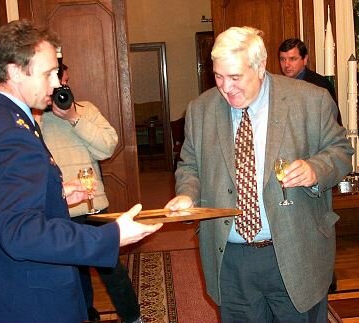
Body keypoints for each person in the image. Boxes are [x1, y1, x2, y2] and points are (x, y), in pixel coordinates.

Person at [0, 19, 162, 322]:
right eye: (48, 73)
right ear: (16, 70)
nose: (57, 84)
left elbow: (0, 204)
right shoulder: (9, 133)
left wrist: (54, 193)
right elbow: (21, 233)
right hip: (31, 302)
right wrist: (112, 236)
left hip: (11, 291)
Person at [165, 26, 353, 322]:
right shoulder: (200, 110)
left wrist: (315, 169)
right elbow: (190, 166)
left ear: (260, 66)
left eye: (236, 77)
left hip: (294, 251)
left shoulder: (309, 100)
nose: (226, 88)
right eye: (218, 76)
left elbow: (342, 152)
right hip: (231, 258)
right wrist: (187, 195)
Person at [34, 63, 143, 323]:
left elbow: (107, 148)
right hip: (58, 209)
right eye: (60, 82)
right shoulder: (33, 118)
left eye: (66, 82)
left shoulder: (86, 110)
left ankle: (133, 318)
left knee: (112, 269)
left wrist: (73, 118)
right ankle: (86, 316)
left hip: (93, 206)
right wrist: (37, 118)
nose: (64, 89)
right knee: (72, 275)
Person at [279, 38, 342, 125]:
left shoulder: (319, 86)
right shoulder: (278, 86)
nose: (286, 65)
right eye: (282, 59)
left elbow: (333, 125)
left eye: (292, 59)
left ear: (305, 60)